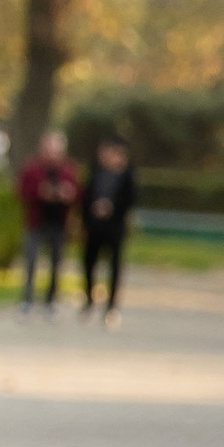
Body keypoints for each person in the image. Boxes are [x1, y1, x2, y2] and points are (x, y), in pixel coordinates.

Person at [16, 128, 79, 308]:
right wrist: (41, 192)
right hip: (36, 221)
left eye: (55, 150)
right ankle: (27, 298)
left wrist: (67, 194)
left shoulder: (68, 171)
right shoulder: (32, 168)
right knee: (31, 260)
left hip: (58, 223)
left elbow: (78, 194)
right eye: (48, 149)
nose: (51, 154)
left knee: (56, 263)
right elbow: (22, 191)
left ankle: (50, 300)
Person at [79, 130, 137, 321]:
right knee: (89, 263)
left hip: (114, 227)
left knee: (114, 266)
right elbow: (85, 196)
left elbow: (131, 199)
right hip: (94, 226)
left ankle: (111, 305)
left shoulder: (126, 175)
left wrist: (112, 207)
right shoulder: (95, 171)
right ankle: (89, 300)